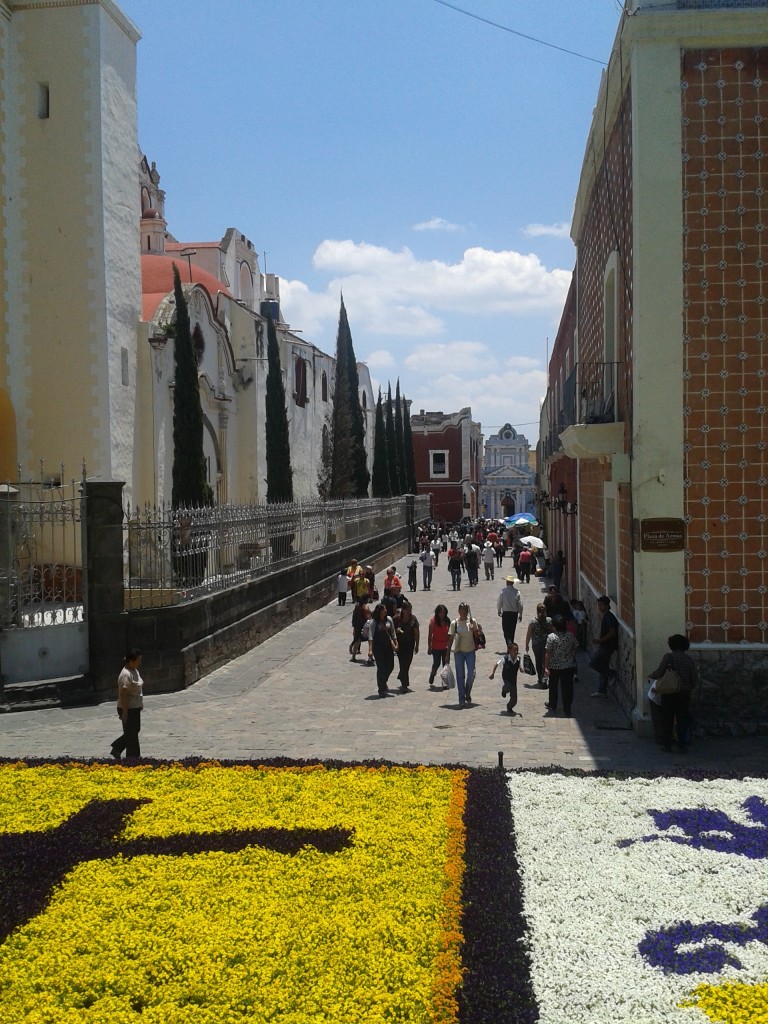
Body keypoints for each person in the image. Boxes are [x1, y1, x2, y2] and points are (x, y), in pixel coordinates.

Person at [648, 634, 699, 753]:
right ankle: (682, 745)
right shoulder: (689, 660)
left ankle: (667, 744)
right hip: (684, 694)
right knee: (682, 719)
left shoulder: (669, 657)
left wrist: (651, 675)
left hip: (669, 692)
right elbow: (695, 679)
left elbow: (660, 672)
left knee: (667, 718)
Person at [111, 648, 144, 759]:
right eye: (138, 660)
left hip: (135, 706)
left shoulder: (134, 670)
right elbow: (123, 694)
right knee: (132, 734)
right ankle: (133, 758)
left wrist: (140, 702)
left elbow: (138, 688)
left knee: (134, 731)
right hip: (127, 707)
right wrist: (124, 712)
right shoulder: (125, 675)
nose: (140, 662)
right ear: (131, 661)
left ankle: (117, 748)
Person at [544, 615, 579, 717]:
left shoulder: (551, 637)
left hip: (554, 666)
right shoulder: (570, 636)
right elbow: (576, 646)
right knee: (567, 688)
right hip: (568, 666)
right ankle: (567, 709)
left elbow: (548, 653)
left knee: (553, 686)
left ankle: (552, 704)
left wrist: (546, 666)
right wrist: (572, 654)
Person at [447, 602, 481, 706]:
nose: (463, 613)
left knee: (471, 674)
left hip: (470, 651)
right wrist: (447, 653)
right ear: (458, 611)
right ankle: (461, 698)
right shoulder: (454, 623)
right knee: (460, 675)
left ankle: (467, 691)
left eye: (465, 611)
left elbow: (477, 634)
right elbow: (451, 638)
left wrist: (473, 629)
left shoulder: (472, 621)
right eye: (461, 611)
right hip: (459, 652)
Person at [590, 595, 620, 697]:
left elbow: (612, 633)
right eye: (599, 605)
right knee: (603, 666)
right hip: (605, 646)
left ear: (607, 606)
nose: (599, 607)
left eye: (601, 605)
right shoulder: (606, 616)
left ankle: (611, 674)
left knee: (593, 663)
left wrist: (599, 641)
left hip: (607, 647)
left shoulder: (609, 617)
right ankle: (602, 690)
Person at [369, 602, 398, 697]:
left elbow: (393, 632)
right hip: (378, 648)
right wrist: (370, 650)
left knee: (390, 666)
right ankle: (381, 689)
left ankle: (383, 682)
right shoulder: (374, 622)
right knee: (381, 668)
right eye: (384, 609)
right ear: (379, 611)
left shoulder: (389, 619)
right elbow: (370, 636)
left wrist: (396, 643)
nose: (386, 610)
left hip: (388, 647)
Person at [489, 639, 521, 715]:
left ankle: (509, 707)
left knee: (514, 698)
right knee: (508, 686)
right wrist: (492, 673)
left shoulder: (518, 659)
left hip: (513, 679)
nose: (516, 652)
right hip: (506, 678)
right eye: (514, 650)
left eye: (517, 650)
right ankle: (504, 690)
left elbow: (520, 666)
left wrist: (521, 669)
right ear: (509, 650)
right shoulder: (505, 658)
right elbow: (496, 664)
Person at [525, 603, 553, 689]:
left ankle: (540, 679)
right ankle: (545, 679)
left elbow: (529, 634)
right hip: (547, 644)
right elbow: (552, 631)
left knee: (538, 661)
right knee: (545, 662)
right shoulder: (549, 620)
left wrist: (526, 644)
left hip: (536, 644)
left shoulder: (533, 621)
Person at [394, 601, 419, 692]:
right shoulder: (396, 619)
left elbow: (416, 632)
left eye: (410, 610)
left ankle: (401, 675)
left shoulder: (413, 619)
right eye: (407, 610)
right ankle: (405, 684)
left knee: (407, 663)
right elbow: (390, 630)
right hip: (400, 645)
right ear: (403, 610)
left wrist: (417, 644)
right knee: (402, 663)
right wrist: (396, 631)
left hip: (410, 645)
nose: (409, 612)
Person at [427, 604, 451, 687]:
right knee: (436, 663)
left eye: (443, 612)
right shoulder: (433, 622)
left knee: (445, 664)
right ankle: (433, 673)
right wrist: (429, 647)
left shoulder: (447, 621)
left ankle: (444, 682)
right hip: (436, 646)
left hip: (445, 646)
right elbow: (430, 635)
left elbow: (450, 634)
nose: (442, 614)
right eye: (440, 612)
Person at [497, 575, 524, 645]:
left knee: (506, 630)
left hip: (506, 613)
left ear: (507, 582)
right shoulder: (517, 592)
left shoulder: (503, 591)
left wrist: (499, 610)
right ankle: (511, 643)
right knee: (512, 630)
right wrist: (520, 614)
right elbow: (520, 604)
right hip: (514, 614)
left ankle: (509, 643)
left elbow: (499, 601)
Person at [350, 594, 370, 662]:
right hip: (363, 625)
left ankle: (353, 656)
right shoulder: (365, 607)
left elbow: (354, 615)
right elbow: (367, 617)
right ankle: (371, 656)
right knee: (370, 640)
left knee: (357, 641)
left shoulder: (357, 605)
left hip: (357, 625)